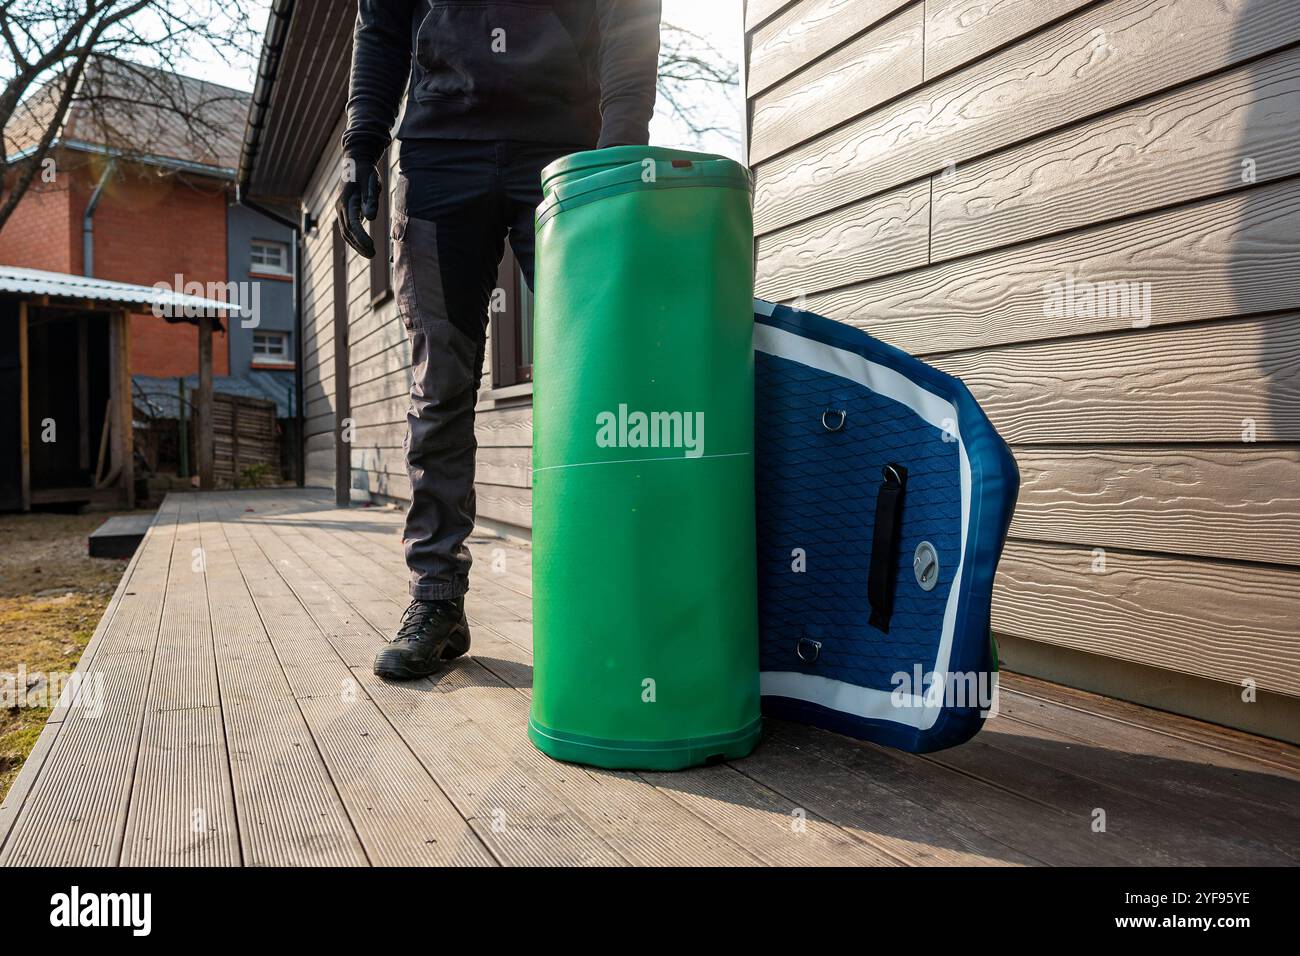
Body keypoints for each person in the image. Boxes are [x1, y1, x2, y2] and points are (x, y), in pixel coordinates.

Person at [337, 1, 662, 680]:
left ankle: (627, 596)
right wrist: (362, 143)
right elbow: (384, 23)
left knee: (607, 372)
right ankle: (437, 603)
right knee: (440, 389)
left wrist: (623, 142)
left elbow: (630, 16)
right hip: (436, 157)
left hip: (568, 150)